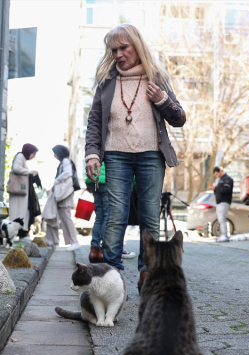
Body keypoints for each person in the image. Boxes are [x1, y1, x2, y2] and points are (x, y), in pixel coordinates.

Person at [84, 24, 186, 294]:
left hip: (151, 156)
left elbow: (179, 118)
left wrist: (163, 100)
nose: (118, 54)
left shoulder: (157, 77)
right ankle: (111, 276)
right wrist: (92, 154)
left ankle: (147, 275)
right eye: (113, 49)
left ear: (137, 47)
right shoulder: (107, 82)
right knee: (115, 216)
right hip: (115, 155)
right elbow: (94, 121)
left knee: (150, 217)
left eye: (123, 48)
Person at [46, 145, 81, 251]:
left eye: (55, 152)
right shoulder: (64, 161)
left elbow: (67, 173)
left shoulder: (65, 161)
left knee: (66, 218)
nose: (54, 155)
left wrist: (56, 181)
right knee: (64, 218)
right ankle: (72, 241)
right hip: (64, 194)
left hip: (65, 195)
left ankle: (74, 241)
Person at [9, 144, 39, 241]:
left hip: (21, 192)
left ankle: (21, 234)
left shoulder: (22, 158)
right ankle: (17, 234)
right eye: (33, 153)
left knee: (21, 212)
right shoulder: (20, 156)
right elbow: (16, 168)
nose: (34, 156)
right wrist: (30, 172)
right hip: (19, 191)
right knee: (18, 212)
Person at [210, 166, 233, 243]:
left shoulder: (227, 179)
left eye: (217, 174)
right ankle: (223, 235)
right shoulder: (221, 180)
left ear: (220, 171)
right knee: (220, 219)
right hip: (220, 201)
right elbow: (219, 191)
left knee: (222, 218)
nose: (217, 176)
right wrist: (215, 189)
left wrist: (216, 188)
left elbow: (226, 190)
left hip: (224, 201)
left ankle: (224, 235)